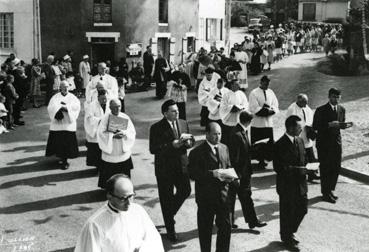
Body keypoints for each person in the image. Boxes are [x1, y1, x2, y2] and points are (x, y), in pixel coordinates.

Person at [74, 174, 164, 252]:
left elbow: (154, 239)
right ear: (109, 196)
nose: (129, 203)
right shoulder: (95, 225)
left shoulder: (138, 211)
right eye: (123, 198)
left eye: (131, 196)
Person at [149, 99, 193, 242]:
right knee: (166, 197)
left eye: (178, 110)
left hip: (181, 166)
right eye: (173, 111)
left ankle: (169, 214)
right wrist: (171, 145)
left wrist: (188, 143)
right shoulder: (156, 128)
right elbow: (153, 149)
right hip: (165, 168)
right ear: (165, 113)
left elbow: (191, 141)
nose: (177, 112)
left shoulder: (183, 123)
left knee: (185, 190)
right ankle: (170, 228)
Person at [188, 122, 234, 252]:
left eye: (219, 134)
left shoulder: (224, 148)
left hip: (223, 197)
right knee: (205, 231)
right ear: (207, 134)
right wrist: (212, 174)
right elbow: (192, 173)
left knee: (226, 228)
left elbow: (228, 165)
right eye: (214, 134)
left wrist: (230, 175)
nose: (217, 137)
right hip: (206, 199)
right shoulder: (196, 152)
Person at [273, 115, 308, 250]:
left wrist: (310, 167)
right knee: (287, 212)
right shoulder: (279, 145)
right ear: (291, 128)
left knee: (303, 209)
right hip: (287, 186)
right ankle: (287, 238)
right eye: (299, 127)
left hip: (301, 184)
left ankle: (289, 232)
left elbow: (304, 159)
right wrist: (299, 170)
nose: (301, 129)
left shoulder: (300, 141)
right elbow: (279, 168)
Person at [228, 111, 267, 229]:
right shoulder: (237, 134)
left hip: (244, 172)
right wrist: (237, 177)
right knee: (238, 198)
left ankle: (250, 221)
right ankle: (234, 222)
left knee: (243, 197)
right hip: (240, 174)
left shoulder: (241, 131)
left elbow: (244, 151)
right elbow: (234, 158)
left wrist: (254, 147)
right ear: (249, 121)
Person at [313, 88, 351, 203]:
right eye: (334, 97)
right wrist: (329, 125)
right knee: (325, 168)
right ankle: (325, 193)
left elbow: (341, 123)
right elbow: (315, 126)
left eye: (338, 97)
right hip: (324, 143)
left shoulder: (342, 109)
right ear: (329, 96)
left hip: (336, 142)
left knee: (336, 166)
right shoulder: (321, 110)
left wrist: (344, 125)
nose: (336, 99)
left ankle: (330, 189)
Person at [97, 99, 136, 188]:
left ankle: (124, 188)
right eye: (114, 107)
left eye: (119, 106)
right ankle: (110, 190)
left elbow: (132, 132)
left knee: (124, 175)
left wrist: (124, 134)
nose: (117, 109)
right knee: (110, 175)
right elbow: (100, 133)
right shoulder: (105, 118)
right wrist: (112, 136)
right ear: (110, 107)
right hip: (111, 150)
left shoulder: (125, 117)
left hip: (122, 150)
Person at [45, 81, 80, 169]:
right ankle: (60, 156)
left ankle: (65, 160)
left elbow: (76, 107)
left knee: (67, 142)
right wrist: (59, 109)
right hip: (58, 123)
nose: (65, 88)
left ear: (69, 87)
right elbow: (50, 107)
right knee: (59, 141)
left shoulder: (73, 97)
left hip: (68, 123)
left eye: (67, 86)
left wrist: (66, 108)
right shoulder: (55, 97)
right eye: (63, 87)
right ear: (60, 87)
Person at [286, 94, 320, 182]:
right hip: (298, 136)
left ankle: (313, 174)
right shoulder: (292, 109)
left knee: (311, 155)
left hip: (307, 135)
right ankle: (302, 174)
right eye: (304, 103)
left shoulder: (306, 107)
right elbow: (290, 124)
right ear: (299, 101)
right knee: (301, 157)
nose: (305, 105)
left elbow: (310, 116)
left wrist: (310, 126)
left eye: (306, 103)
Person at [249, 75, 279, 169]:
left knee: (268, 144)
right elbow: (254, 107)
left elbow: (275, 104)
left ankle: (266, 159)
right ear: (261, 82)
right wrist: (264, 111)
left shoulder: (270, 92)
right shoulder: (254, 93)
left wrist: (271, 110)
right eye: (265, 84)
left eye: (268, 84)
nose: (267, 86)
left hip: (268, 123)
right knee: (258, 143)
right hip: (258, 123)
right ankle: (260, 161)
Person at [84, 91, 109, 171]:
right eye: (102, 99)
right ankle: (98, 167)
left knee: (106, 149)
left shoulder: (109, 104)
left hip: (106, 130)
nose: (104, 101)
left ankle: (105, 166)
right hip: (96, 130)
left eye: (105, 99)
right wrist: (101, 120)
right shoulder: (91, 105)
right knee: (96, 150)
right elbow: (89, 118)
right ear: (98, 98)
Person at [219, 79, 249, 146]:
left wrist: (241, 108)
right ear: (232, 85)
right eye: (236, 84)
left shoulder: (241, 94)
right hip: (229, 121)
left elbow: (246, 104)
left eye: (239, 84)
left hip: (239, 120)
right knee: (228, 142)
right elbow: (223, 106)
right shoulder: (226, 95)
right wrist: (231, 108)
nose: (238, 86)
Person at [207, 78, 229, 142]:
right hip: (214, 114)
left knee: (223, 133)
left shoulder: (227, 91)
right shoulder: (212, 91)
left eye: (222, 83)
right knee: (213, 130)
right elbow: (210, 101)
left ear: (224, 83)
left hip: (223, 114)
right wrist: (218, 104)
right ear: (217, 83)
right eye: (219, 83)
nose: (220, 85)